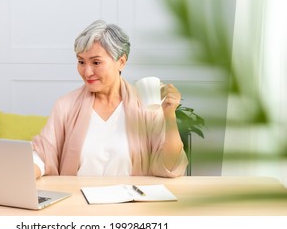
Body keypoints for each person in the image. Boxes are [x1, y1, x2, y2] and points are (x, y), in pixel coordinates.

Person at [32, 20, 188, 178]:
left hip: (132, 200)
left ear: (121, 62)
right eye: (81, 62)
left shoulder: (146, 106)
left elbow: (170, 166)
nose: (87, 72)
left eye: (96, 62)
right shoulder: (65, 106)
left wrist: (169, 114)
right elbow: (43, 154)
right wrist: (28, 171)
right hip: (78, 199)